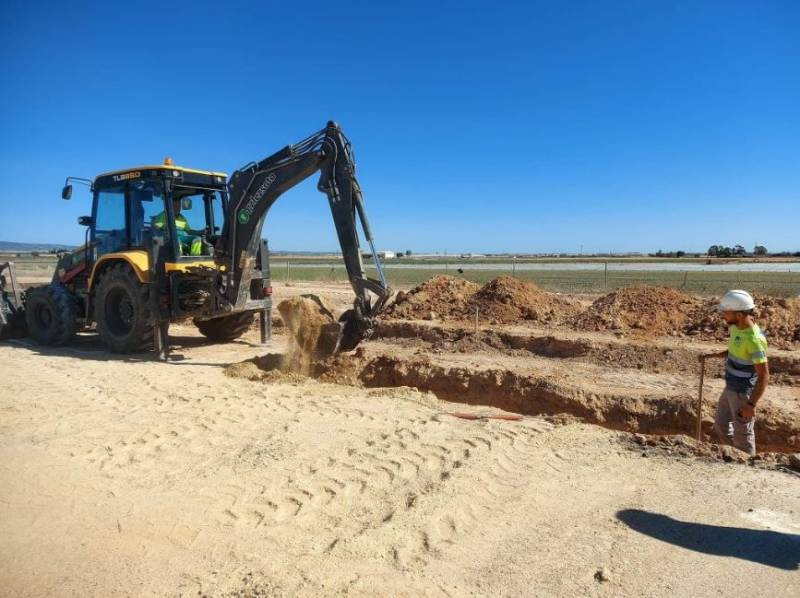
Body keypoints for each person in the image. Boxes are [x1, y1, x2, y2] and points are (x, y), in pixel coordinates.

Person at [699, 290, 769, 456]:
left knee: (743, 435)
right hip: (730, 387)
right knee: (721, 425)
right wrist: (713, 356)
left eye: (726, 312)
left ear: (738, 314)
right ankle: (734, 458)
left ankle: (748, 466)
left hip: (742, 393)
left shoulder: (754, 340)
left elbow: (764, 375)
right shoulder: (736, 328)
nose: (723, 315)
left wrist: (751, 405)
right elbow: (734, 350)